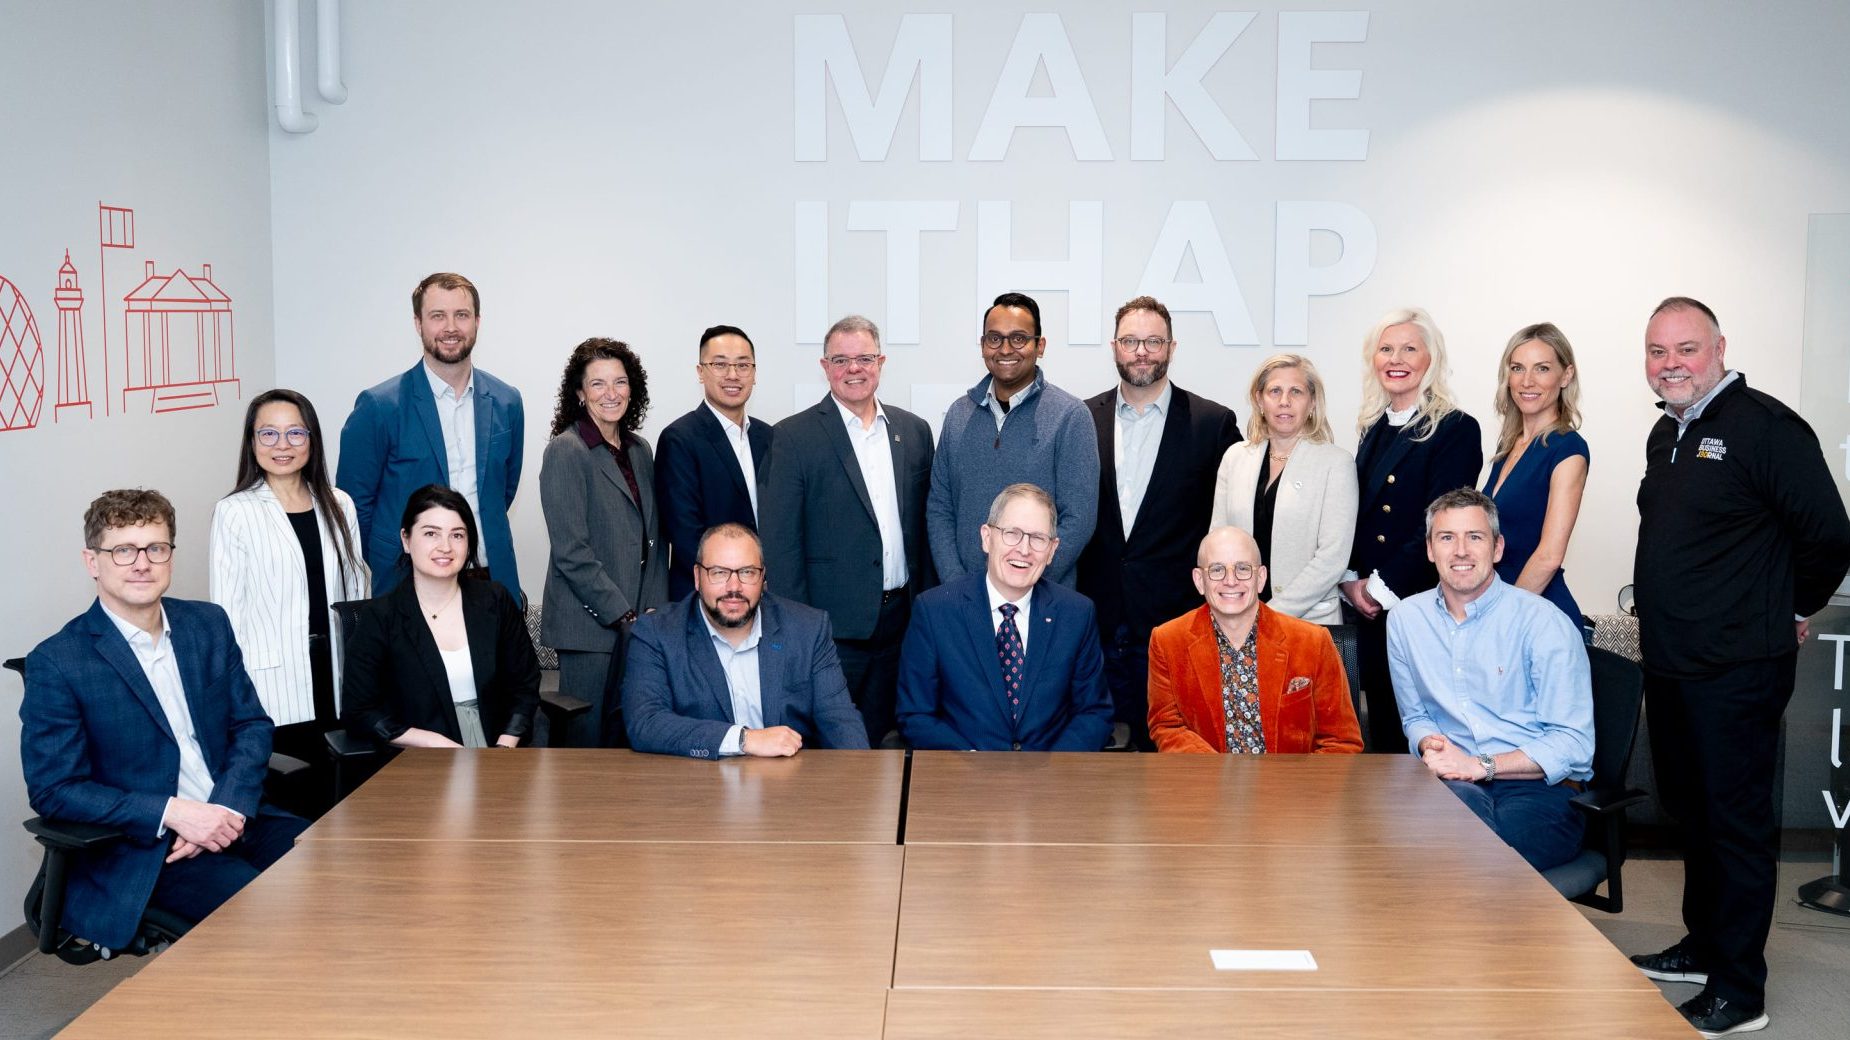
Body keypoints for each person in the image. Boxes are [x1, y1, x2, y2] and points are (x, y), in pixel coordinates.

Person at [1626, 297, 1850, 1038]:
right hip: (1674, 662)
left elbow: (1828, 536)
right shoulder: (1669, 431)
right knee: (1693, 814)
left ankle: (1740, 991)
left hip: (1737, 671)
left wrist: (1789, 609)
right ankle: (1704, 947)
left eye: (1686, 349)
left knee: (1737, 827)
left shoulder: (1767, 428)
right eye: (1658, 352)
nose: (1672, 365)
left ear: (1719, 347)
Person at [21, 489, 307, 956]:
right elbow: (55, 789)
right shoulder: (58, 662)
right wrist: (175, 814)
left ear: (170, 555)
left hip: (234, 817)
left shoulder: (207, 625)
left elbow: (252, 726)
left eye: (156, 548)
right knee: (270, 916)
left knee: (340, 876)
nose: (141, 563)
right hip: (150, 850)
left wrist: (228, 809)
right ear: (92, 562)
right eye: (122, 550)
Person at [1388, 488, 1593, 873]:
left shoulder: (1543, 622)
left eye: (1475, 537)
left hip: (1540, 789)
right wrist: (1428, 743)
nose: (1461, 551)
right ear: (1430, 549)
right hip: (1455, 783)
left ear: (1497, 548)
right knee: (1413, 838)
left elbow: (1574, 745)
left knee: (1476, 854)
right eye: (1447, 538)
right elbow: (1415, 717)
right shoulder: (1405, 621)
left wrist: (1480, 764)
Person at [760, 315, 935, 747]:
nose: (853, 369)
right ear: (824, 366)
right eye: (841, 359)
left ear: (881, 362)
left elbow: (923, 532)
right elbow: (781, 548)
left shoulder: (913, 432)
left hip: (901, 625)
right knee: (828, 750)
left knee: (887, 742)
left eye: (864, 358)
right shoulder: (793, 437)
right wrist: (798, 634)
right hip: (830, 633)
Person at [1076, 295, 1241, 750]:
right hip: (1096, 615)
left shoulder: (1213, 423)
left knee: (1171, 761)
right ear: (1114, 346)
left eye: (1153, 341)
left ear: (1171, 346)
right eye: (1131, 341)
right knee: (1097, 765)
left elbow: (1228, 525)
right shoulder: (1080, 419)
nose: (1142, 351)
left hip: (1175, 621)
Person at [209, 389, 369, 813]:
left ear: (312, 439)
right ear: (252, 442)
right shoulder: (235, 512)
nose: (283, 445)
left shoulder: (340, 504)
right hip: (273, 681)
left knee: (345, 800)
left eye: (295, 432)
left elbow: (355, 594)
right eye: (269, 434)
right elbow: (228, 613)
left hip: (336, 675)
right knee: (298, 801)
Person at [1340, 307, 1482, 753]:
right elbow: (1357, 515)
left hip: (1415, 605)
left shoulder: (1455, 428)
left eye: (1408, 348)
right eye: (1386, 349)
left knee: (1420, 736)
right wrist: (1349, 581)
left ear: (1430, 359)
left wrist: (1379, 590)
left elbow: (1442, 524)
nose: (1395, 358)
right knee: (1381, 729)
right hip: (1369, 606)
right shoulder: (1372, 427)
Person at [337, 272, 525, 596]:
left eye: (461, 315)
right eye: (438, 316)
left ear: (477, 321)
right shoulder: (379, 407)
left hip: (490, 578)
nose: (450, 327)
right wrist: (390, 562)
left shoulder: (507, 401)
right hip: (407, 582)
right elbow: (353, 509)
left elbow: (502, 492)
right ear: (418, 323)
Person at [621, 523, 871, 758]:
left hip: (789, 788)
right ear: (697, 577)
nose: (734, 587)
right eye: (719, 573)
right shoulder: (658, 632)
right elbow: (646, 722)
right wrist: (743, 739)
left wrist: (860, 782)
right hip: (697, 789)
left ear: (763, 578)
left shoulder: (807, 628)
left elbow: (839, 719)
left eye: (747, 572)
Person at [898, 483, 1113, 752]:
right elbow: (915, 715)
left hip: (1050, 782)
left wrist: (1050, 770)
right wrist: (972, 761)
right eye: (1012, 534)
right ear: (987, 538)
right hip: (964, 780)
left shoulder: (1077, 614)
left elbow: (1094, 714)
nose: (1024, 550)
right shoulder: (935, 611)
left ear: (1052, 550)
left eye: (1038, 538)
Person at [538, 339, 669, 747]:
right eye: (597, 384)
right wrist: (622, 614)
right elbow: (571, 552)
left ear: (633, 389)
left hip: (639, 624)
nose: (610, 394)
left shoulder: (640, 449)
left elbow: (653, 538)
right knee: (589, 746)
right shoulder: (566, 451)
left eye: (620, 382)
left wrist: (651, 610)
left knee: (632, 739)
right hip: (590, 629)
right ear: (579, 393)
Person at [341, 486, 541, 749]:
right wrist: (433, 744)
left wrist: (505, 747)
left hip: (500, 750)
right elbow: (360, 711)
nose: (445, 547)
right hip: (418, 759)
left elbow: (525, 684)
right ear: (406, 539)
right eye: (431, 534)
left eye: (457, 535)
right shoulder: (380, 617)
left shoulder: (495, 600)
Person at [926, 292, 1099, 587]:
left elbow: (1078, 519)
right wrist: (958, 587)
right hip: (964, 600)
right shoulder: (958, 415)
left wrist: (1025, 585)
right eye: (995, 339)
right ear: (983, 346)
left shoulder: (1071, 416)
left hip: (1042, 600)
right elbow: (940, 508)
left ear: (1039, 346)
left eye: (1018, 338)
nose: (1005, 349)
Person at [1147, 526, 1362, 754]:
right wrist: (1217, 777)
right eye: (1217, 570)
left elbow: (1342, 742)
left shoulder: (1313, 642)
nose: (1231, 581)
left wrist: (1293, 787)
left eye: (1243, 569)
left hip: (1290, 785)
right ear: (1199, 581)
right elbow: (1167, 726)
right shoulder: (1167, 641)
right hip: (1207, 783)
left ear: (1261, 578)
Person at [1211, 354, 1357, 625]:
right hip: (1237, 620)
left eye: (1296, 392)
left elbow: (1332, 557)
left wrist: (1271, 615)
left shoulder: (1336, 463)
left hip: (1309, 624)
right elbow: (1218, 543)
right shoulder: (1235, 457)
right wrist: (1236, 609)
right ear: (1259, 399)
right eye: (1274, 391)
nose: (1284, 401)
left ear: (1312, 401)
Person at [1481, 323, 1588, 629]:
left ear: (1565, 376)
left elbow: (1549, 556)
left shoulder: (1569, 448)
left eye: (1542, 368)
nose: (1527, 381)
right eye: (1517, 368)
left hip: (1535, 614)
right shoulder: (1509, 446)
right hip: (1502, 605)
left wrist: (1501, 620)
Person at [655, 325, 772, 601]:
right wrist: (738, 581)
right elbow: (685, 533)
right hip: (705, 597)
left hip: (764, 595)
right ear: (700, 372)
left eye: (743, 365)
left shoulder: (769, 437)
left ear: (754, 373)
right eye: (720, 364)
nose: (733, 375)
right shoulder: (680, 439)